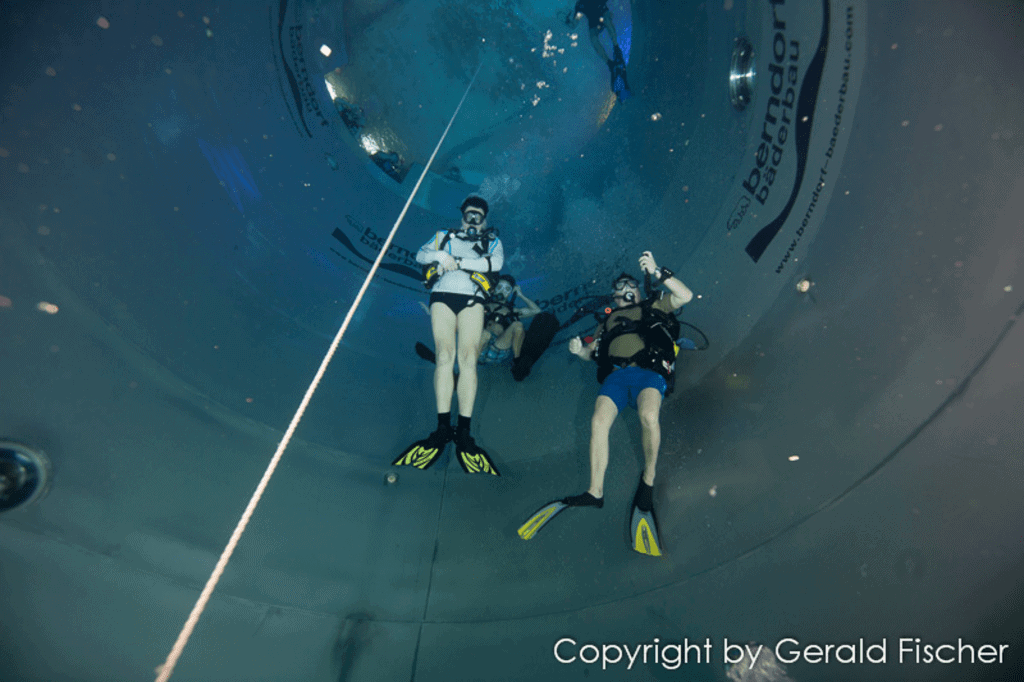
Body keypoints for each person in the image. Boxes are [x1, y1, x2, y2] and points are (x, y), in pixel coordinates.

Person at [563, 251, 693, 554]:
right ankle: (595, 491)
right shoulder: (606, 321)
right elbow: (591, 354)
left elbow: (684, 295)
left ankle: (648, 480)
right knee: (597, 423)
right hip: (617, 377)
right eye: (619, 285)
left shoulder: (654, 304)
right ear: (613, 295)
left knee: (649, 416)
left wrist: (659, 272)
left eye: (630, 283)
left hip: (648, 371)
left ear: (638, 288)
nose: (624, 288)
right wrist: (576, 351)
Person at [392, 196, 503, 475]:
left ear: (486, 219)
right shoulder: (444, 236)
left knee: (468, 359)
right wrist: (440, 255)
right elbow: (420, 255)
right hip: (442, 296)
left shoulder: (493, 242)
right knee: (444, 355)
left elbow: (493, 265)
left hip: (473, 300)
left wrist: (458, 260)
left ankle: (463, 430)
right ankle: (443, 426)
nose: (473, 220)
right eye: (469, 215)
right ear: (461, 217)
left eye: (478, 215)